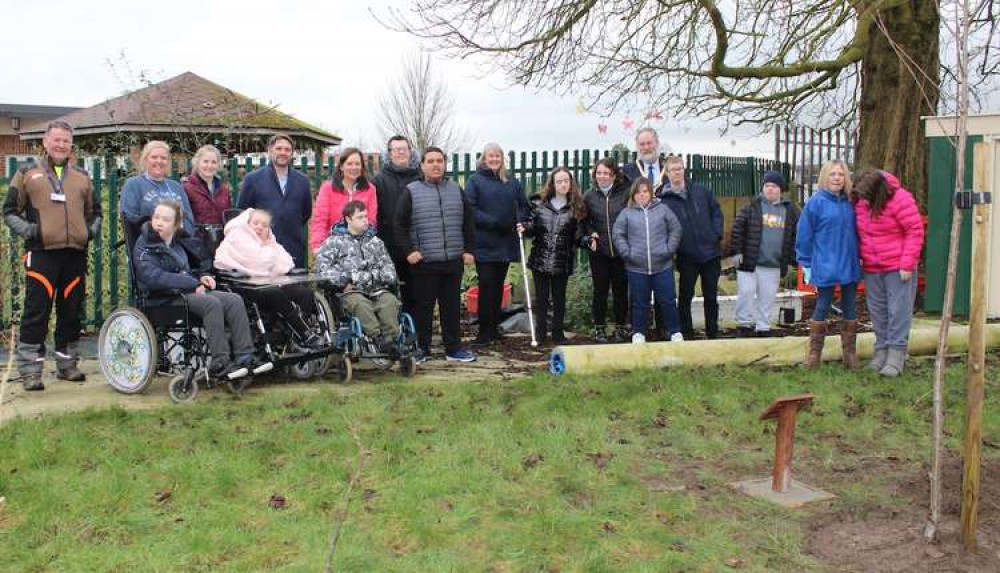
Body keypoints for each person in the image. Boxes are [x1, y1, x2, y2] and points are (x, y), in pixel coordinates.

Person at [3, 120, 101, 390]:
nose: (61, 145)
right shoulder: (27, 173)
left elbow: (96, 213)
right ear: (46, 142)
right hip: (42, 254)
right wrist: (33, 231)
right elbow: (10, 211)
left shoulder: (82, 175)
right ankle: (31, 370)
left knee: (71, 312)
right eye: (56, 140)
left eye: (66, 141)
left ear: (71, 144)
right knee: (36, 312)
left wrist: (87, 233)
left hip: (74, 255)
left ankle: (67, 365)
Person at [133, 199, 256, 379]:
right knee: (211, 303)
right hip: (163, 297)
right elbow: (153, 277)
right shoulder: (144, 244)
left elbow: (189, 271)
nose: (158, 222)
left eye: (166, 219)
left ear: (176, 224)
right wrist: (192, 283)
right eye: (156, 217)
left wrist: (201, 277)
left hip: (186, 291)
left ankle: (245, 357)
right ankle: (220, 361)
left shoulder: (178, 242)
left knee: (233, 300)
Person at [393, 147, 477, 363]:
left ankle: (453, 348)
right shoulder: (411, 191)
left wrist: (469, 250)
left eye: (439, 160)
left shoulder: (456, 190)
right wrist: (409, 251)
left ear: (444, 163)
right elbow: (399, 224)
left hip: (452, 260)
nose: (435, 164)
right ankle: (422, 348)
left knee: (451, 308)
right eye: (430, 161)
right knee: (424, 309)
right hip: (424, 262)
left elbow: (468, 222)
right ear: (422, 165)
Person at [213, 208, 322, 349]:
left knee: (305, 293)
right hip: (244, 286)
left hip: (268, 282)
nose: (260, 227)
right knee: (275, 293)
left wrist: (267, 246)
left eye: (265, 225)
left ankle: (295, 331)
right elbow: (259, 262)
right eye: (256, 223)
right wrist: (268, 251)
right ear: (247, 223)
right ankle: (303, 332)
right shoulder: (238, 236)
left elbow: (287, 263)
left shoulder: (269, 241)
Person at [853, 169, 925, 377]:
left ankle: (897, 353)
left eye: (867, 196)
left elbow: (914, 230)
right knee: (878, 311)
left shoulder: (901, 200)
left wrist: (907, 263)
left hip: (897, 266)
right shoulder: (861, 201)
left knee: (898, 310)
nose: (863, 200)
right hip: (872, 266)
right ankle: (881, 350)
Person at [796, 159, 862, 369]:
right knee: (822, 306)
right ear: (825, 177)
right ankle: (814, 355)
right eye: (833, 174)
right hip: (825, 262)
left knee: (850, 306)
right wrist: (805, 262)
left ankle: (849, 355)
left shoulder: (851, 203)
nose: (836, 178)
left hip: (849, 261)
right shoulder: (815, 203)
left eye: (840, 175)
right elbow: (804, 235)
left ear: (846, 179)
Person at [465, 142, 530, 347]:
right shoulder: (475, 181)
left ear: (502, 159)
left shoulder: (511, 182)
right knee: (486, 285)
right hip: (484, 242)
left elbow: (523, 205)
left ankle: (494, 329)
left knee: (498, 286)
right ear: (484, 159)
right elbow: (470, 208)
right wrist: (491, 221)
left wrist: (519, 220)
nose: (494, 159)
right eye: (490, 156)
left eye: (497, 156)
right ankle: (483, 331)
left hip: (505, 240)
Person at [316, 201, 401, 351]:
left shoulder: (376, 242)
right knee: (360, 304)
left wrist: (364, 277)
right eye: (360, 217)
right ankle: (376, 338)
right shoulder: (333, 243)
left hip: (376, 289)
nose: (365, 220)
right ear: (348, 219)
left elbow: (389, 271)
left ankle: (390, 340)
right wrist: (344, 282)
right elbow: (323, 271)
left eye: (366, 216)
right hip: (350, 291)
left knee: (389, 302)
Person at [726, 170, 800, 337]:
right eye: (767, 185)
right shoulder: (752, 206)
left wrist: (791, 261)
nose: (770, 189)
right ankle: (744, 324)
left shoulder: (790, 211)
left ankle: (763, 326)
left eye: (774, 186)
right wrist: (737, 252)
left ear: (781, 189)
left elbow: (796, 236)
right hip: (749, 261)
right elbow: (737, 229)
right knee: (746, 292)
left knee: (767, 297)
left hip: (773, 263)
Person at [519, 167, 586, 344]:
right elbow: (532, 228)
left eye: (566, 181)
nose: (563, 184)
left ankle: (557, 333)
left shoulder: (576, 208)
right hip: (540, 260)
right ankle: (540, 334)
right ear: (553, 184)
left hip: (562, 261)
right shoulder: (540, 205)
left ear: (571, 183)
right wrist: (525, 228)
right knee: (541, 299)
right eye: (559, 181)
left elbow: (578, 237)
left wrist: (587, 240)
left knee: (559, 299)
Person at [612, 177, 683, 343]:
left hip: (662, 266)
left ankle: (674, 331)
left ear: (651, 193)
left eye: (645, 191)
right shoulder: (626, 213)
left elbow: (675, 229)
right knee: (639, 302)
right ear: (633, 194)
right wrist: (627, 253)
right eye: (638, 192)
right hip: (636, 268)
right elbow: (618, 234)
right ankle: (639, 332)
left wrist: (668, 249)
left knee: (667, 301)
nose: (642, 195)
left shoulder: (663, 209)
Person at [660, 155, 724, 340]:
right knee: (685, 296)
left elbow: (716, 212)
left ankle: (713, 332)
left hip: (710, 253)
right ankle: (686, 332)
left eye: (679, 168)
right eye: (673, 170)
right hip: (686, 256)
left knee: (711, 296)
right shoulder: (665, 201)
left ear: (684, 169)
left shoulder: (701, 191)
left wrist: (716, 235)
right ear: (668, 173)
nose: (677, 173)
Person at [237, 133, 312, 269]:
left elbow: (305, 213)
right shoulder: (253, 179)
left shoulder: (303, 181)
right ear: (270, 150)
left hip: (294, 250)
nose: (283, 152)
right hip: (262, 252)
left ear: (292, 153)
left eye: (287, 149)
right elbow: (243, 214)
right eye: (279, 148)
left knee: (297, 290)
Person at [582, 158, 630, 343]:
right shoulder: (589, 196)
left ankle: (620, 327)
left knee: (620, 291)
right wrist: (590, 233)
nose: (602, 177)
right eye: (599, 173)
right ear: (595, 175)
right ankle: (599, 328)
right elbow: (583, 221)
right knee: (600, 291)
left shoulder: (625, 194)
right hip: (599, 253)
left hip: (620, 252)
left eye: (607, 173)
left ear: (614, 175)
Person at [372, 135, 422, 312]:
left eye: (404, 149)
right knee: (388, 295)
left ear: (410, 152)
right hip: (388, 246)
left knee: (415, 294)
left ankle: (414, 333)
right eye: (396, 149)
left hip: (415, 246)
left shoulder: (420, 178)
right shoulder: (378, 180)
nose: (401, 152)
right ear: (389, 153)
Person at [309, 147, 378, 253]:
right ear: (341, 166)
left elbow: (371, 221)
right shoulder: (327, 188)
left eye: (357, 164)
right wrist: (317, 245)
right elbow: (320, 220)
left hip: (361, 249)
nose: (354, 167)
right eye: (349, 164)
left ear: (362, 167)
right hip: (332, 248)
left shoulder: (370, 189)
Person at [120, 140, 195, 232]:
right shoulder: (133, 184)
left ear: (168, 162)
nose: (159, 161)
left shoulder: (176, 187)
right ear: (145, 160)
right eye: (154, 157)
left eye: (163, 158)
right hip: (148, 243)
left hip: (179, 242)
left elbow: (189, 220)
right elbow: (130, 220)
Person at [182, 144, 231, 226]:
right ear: (197, 163)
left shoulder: (224, 191)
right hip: (196, 237)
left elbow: (228, 218)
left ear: (218, 165)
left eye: (213, 162)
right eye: (205, 161)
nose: (209, 166)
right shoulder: (187, 188)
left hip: (220, 237)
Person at [622, 127, 669, 193]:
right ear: (637, 146)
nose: (646, 147)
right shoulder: (628, 171)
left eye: (649, 143)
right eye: (642, 144)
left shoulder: (670, 167)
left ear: (657, 143)